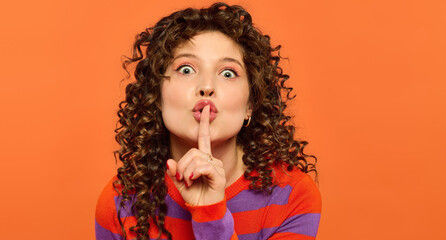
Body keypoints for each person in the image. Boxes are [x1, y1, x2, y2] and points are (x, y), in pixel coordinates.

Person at [94, 2, 321, 240]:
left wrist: (211, 214)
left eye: (228, 73)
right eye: (186, 69)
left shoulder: (292, 195)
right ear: (156, 95)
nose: (206, 87)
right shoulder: (121, 202)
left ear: (250, 105)